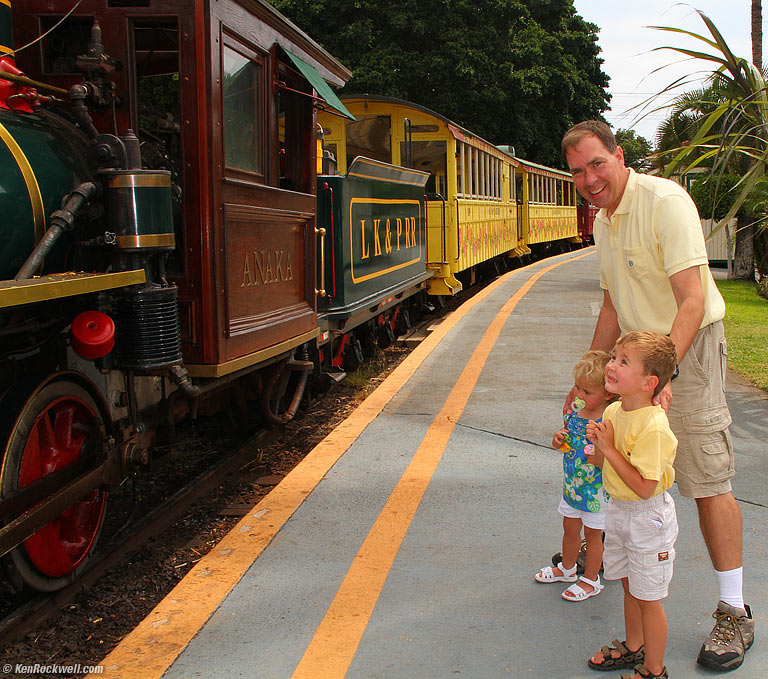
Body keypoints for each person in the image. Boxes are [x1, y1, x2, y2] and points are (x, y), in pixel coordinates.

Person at [562, 120, 753, 673]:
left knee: (703, 475)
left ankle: (734, 610)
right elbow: (610, 307)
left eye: (597, 164)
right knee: (629, 481)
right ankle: (640, 637)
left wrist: (661, 379)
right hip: (636, 360)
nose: (589, 179)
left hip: (683, 350)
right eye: (578, 171)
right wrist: (590, 382)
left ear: (619, 156)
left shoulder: (664, 201)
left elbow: (691, 300)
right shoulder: (603, 221)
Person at [586, 331, 679, 679]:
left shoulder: (654, 427)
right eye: (614, 356)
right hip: (619, 511)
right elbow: (604, 465)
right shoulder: (615, 409)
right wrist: (592, 449)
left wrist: (608, 449)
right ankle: (634, 645)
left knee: (648, 597)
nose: (611, 365)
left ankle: (654, 669)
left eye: (624, 362)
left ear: (648, 382)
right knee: (628, 584)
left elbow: (643, 487)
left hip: (647, 517)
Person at [534, 351, 614, 601]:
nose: (579, 395)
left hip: (596, 491)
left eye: (588, 392)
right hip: (573, 486)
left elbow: (617, 454)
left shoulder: (609, 420)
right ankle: (568, 569)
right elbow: (565, 442)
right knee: (569, 527)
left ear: (608, 394)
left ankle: (591, 579)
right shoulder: (575, 412)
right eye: (578, 388)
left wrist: (601, 456)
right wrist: (558, 440)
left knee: (592, 535)